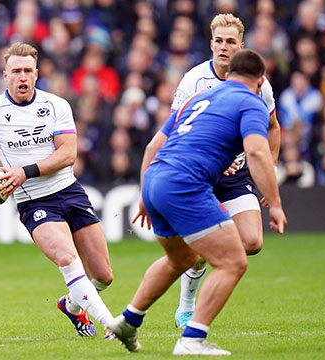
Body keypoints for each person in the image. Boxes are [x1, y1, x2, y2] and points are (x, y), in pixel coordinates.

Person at [108, 49, 287, 355]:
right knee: (232, 262)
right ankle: (192, 338)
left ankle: (127, 320)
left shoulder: (199, 98)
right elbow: (257, 152)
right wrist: (276, 202)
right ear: (260, 81)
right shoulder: (252, 102)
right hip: (185, 183)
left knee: (181, 259)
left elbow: (153, 146)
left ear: (228, 74)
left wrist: (143, 194)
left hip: (155, 178)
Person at [0, 42, 115, 338]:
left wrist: (23, 172)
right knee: (68, 259)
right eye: (16, 71)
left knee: (104, 276)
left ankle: (71, 304)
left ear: (37, 73)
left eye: (28, 71)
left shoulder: (56, 105)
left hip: (69, 191)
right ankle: (112, 324)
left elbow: (68, 154)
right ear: (5, 75)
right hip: (34, 201)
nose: (22, 77)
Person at [167, 13, 281, 330]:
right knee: (208, 245)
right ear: (211, 43)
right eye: (218, 41)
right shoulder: (193, 80)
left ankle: (201, 266)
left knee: (253, 243)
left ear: (240, 46)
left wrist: (269, 169)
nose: (223, 47)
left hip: (237, 176)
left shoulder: (259, 84)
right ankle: (187, 308)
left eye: (230, 42)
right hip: (202, 175)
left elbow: (273, 127)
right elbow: (174, 128)